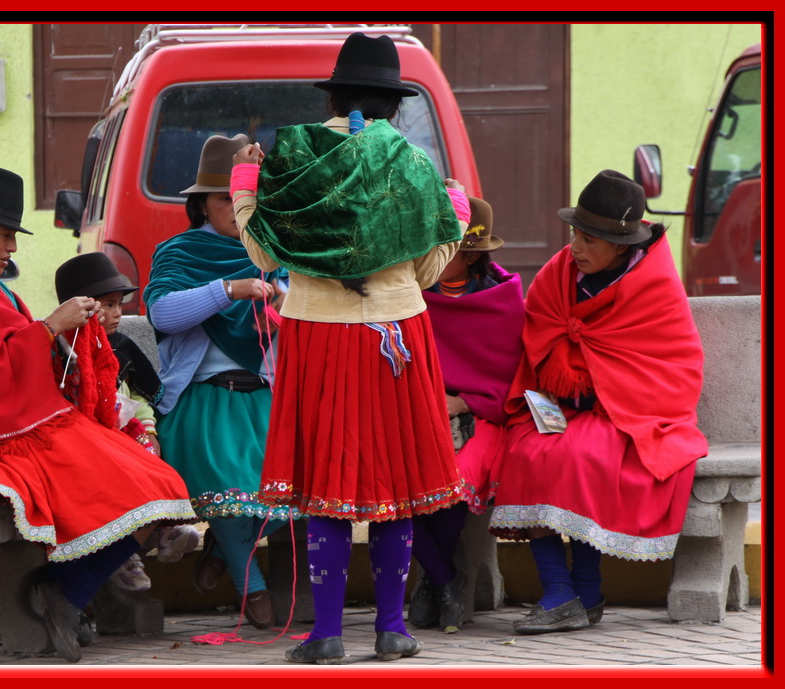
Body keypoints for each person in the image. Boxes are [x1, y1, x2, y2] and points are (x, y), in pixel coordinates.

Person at [230, 33, 467, 663]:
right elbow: (426, 274)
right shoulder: (413, 166)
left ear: (333, 95)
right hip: (397, 336)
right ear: (392, 103)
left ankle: (326, 636)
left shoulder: (291, 158)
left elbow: (263, 254)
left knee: (324, 484)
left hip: (317, 336)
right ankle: (392, 629)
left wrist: (243, 184)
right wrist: (458, 217)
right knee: (398, 482)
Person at [0, 165, 196, 663]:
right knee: (137, 483)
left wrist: (60, 340)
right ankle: (65, 594)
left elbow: (4, 357)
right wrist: (47, 328)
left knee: (157, 481)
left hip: (21, 420)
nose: (12, 248)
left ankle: (63, 592)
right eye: (4, 236)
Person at [488, 169, 708, 634]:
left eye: (590, 240)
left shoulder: (655, 286)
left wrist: (602, 392)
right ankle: (562, 592)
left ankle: (583, 591)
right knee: (526, 449)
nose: (576, 248)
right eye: (575, 234)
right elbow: (539, 333)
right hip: (559, 405)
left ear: (622, 246)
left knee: (584, 456)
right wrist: (556, 395)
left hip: (627, 413)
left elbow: (674, 368)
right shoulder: (560, 271)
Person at [142, 134, 295, 630]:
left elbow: (300, 321)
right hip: (203, 403)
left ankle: (225, 552)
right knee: (232, 495)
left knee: (299, 496)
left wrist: (281, 303)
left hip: (265, 398)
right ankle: (249, 583)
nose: (233, 207)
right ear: (200, 204)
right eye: (222, 198)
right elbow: (162, 314)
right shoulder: (178, 252)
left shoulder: (272, 253)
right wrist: (227, 289)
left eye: (239, 196)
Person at [408, 192, 526, 633]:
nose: (431, 256)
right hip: (416, 411)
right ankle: (443, 580)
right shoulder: (410, 296)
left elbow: (513, 381)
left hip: (483, 415)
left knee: (458, 477)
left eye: (446, 248)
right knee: (397, 482)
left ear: (471, 255)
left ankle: (434, 584)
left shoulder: (502, 300)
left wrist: (463, 403)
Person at [53, 252, 201, 593]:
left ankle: (156, 533)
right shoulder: (64, 351)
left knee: (150, 461)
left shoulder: (119, 346)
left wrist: (148, 430)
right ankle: (128, 553)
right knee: (124, 474)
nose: (118, 312)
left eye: (120, 303)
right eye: (108, 304)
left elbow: (140, 398)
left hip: (125, 433)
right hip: (85, 441)